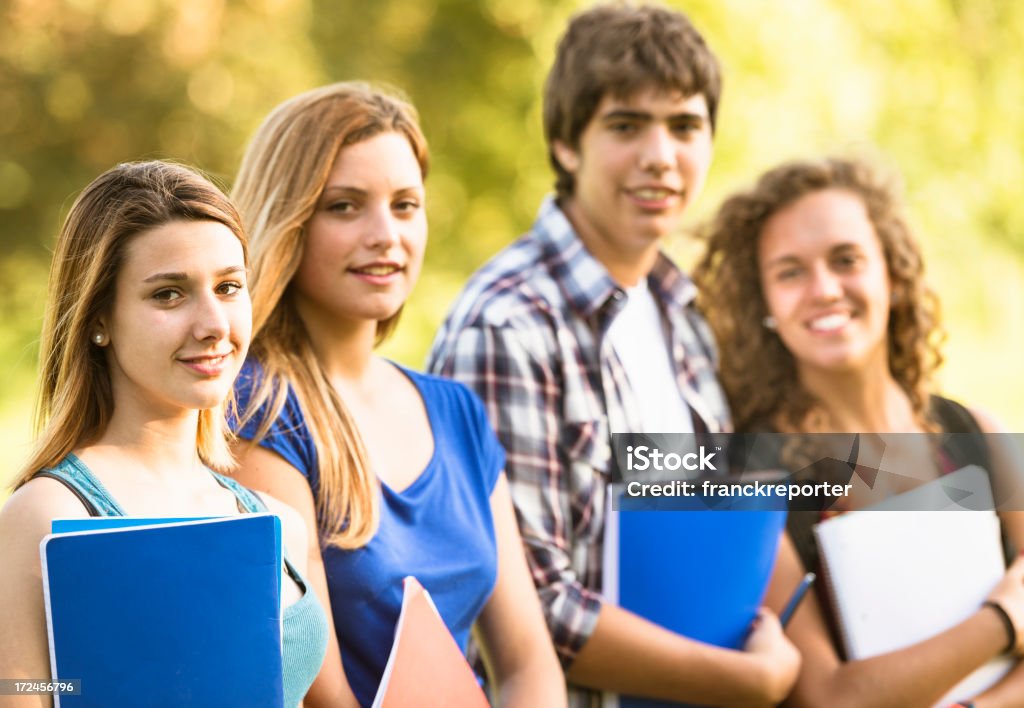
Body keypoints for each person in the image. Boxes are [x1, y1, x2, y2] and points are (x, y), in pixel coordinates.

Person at [427, 4, 801, 706]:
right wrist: (743, 683)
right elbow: (524, 607)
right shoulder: (509, 325)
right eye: (626, 126)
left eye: (685, 126)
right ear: (567, 145)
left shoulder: (682, 318)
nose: (661, 156)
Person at [228, 82, 565, 708]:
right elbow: (317, 695)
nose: (386, 234)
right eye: (346, 206)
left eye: (405, 205)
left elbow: (526, 664)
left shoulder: (456, 412)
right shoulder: (257, 408)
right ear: (289, 219)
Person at [695, 155, 1024, 707]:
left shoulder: (979, 434)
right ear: (765, 305)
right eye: (790, 272)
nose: (823, 289)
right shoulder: (755, 478)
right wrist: (1003, 621)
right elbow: (828, 699)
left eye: (846, 259)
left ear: (892, 275)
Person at [0, 161, 328, 708]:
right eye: (169, 295)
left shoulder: (277, 524)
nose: (214, 325)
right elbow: (18, 689)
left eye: (228, 287)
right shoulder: (48, 516)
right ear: (98, 318)